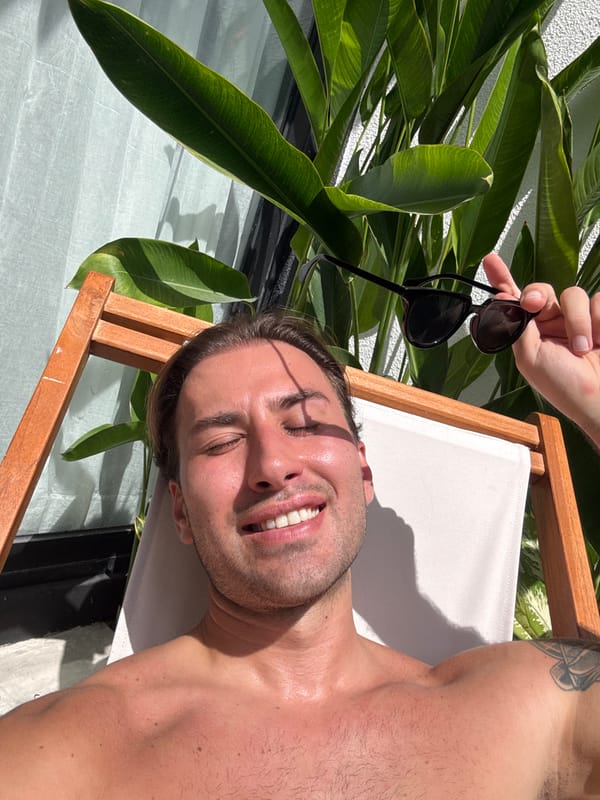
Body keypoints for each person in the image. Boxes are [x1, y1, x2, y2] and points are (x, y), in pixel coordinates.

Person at [0, 255, 599, 799]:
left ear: (362, 473)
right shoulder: (71, 751)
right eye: (222, 441)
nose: (273, 465)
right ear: (180, 510)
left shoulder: (512, 710)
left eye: (306, 423)